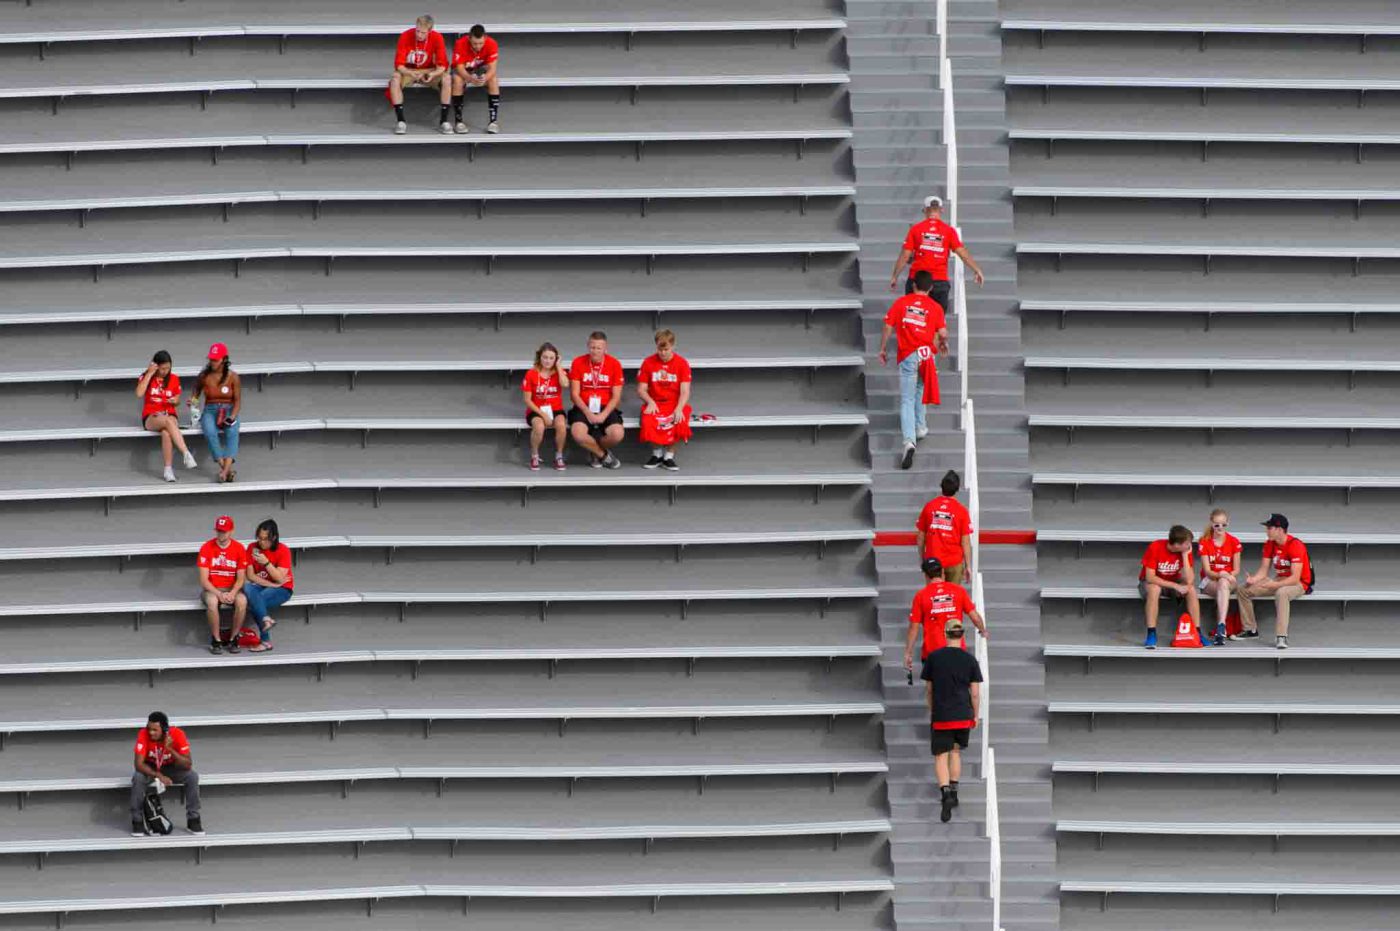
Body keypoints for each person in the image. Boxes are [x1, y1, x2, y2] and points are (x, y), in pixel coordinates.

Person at [879, 270, 949, 468]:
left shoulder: (901, 303)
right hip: (927, 355)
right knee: (920, 389)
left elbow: (887, 325)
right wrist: (942, 343)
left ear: (913, 285)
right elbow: (943, 333)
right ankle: (920, 427)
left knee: (907, 398)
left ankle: (909, 441)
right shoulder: (935, 307)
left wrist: (883, 348)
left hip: (908, 354)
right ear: (931, 288)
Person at [921, 621, 982, 823]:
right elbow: (974, 693)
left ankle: (945, 793)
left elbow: (929, 690)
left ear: (946, 634)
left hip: (942, 715)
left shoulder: (934, 658)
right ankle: (954, 792)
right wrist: (975, 715)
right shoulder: (970, 660)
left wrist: (932, 709)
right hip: (963, 714)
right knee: (955, 752)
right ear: (962, 634)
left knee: (941, 756)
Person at [887, 195, 986, 307]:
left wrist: (895, 276)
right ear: (942, 210)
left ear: (924, 210)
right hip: (939, 281)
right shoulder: (948, 231)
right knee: (937, 321)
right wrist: (977, 269)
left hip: (917, 281)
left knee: (915, 318)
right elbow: (963, 253)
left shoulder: (916, 229)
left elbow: (905, 256)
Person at [1237, 513, 1314, 650]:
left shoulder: (1295, 545)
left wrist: (1275, 584)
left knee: (1281, 593)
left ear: (1279, 529)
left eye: (1269, 528)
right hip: (1280, 580)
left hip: (1299, 583)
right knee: (1243, 590)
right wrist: (1253, 579)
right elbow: (1264, 570)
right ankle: (1250, 630)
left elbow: (1295, 577)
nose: (1266, 531)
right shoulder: (1270, 544)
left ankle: (1281, 636)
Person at [903, 558, 988, 674]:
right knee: (957, 687)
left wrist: (908, 652)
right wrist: (983, 630)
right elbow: (975, 617)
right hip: (957, 650)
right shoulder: (959, 591)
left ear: (926, 576)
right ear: (943, 572)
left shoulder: (920, 596)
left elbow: (914, 627)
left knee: (933, 690)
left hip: (932, 652)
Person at [130, 711, 202, 836]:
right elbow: (138, 764)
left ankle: (193, 819)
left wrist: (170, 749)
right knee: (138, 777)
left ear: (164, 729)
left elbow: (187, 764)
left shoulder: (178, 734)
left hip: (170, 766)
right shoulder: (143, 733)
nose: (151, 732)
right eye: (149, 728)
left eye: (155, 730)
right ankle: (137, 821)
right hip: (151, 767)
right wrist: (159, 776)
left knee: (192, 776)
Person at [1139, 524, 1206, 650]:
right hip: (1151, 583)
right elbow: (1150, 577)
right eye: (1187, 543)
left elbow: (1190, 580)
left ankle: (1197, 632)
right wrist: (1175, 586)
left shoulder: (1185, 551)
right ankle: (1151, 633)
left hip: (1171, 582)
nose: (1190, 546)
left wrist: (1185, 556)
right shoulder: (1155, 547)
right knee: (1155, 589)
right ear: (1177, 544)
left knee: (1190, 589)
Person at [135, 350, 198, 483]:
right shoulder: (146, 376)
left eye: (168, 368)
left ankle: (168, 470)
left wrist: (176, 401)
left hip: (169, 413)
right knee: (168, 422)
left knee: (166, 433)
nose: (165, 371)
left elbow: (177, 400)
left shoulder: (174, 378)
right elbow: (139, 394)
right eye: (162, 368)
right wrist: (150, 373)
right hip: (152, 416)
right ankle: (186, 453)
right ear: (156, 365)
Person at [637, 329, 693, 471]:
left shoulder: (682, 363)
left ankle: (669, 456)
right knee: (649, 419)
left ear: (673, 346)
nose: (663, 353)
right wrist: (650, 401)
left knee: (680, 420)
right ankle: (656, 455)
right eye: (660, 349)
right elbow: (641, 389)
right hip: (655, 402)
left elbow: (685, 391)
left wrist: (679, 408)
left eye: (666, 349)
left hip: (675, 403)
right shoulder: (648, 362)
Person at [568, 331, 625, 469]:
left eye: (599, 348)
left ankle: (594, 451)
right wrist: (588, 413)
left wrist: (603, 415)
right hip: (583, 406)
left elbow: (616, 396)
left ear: (605, 348)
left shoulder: (614, 364)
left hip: (606, 407)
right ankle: (603, 455)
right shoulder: (578, 362)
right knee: (578, 433)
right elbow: (574, 395)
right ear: (588, 346)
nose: (595, 351)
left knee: (617, 434)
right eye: (592, 347)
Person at [388, 15, 452, 135]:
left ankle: (444, 121)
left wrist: (432, 74)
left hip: (429, 70)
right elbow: (399, 65)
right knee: (395, 78)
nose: (419, 35)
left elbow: (442, 66)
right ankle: (400, 121)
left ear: (430, 31)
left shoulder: (437, 37)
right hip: (409, 70)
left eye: (423, 33)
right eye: (417, 31)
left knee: (447, 78)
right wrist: (410, 73)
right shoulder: (405, 36)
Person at [191, 343, 242, 484]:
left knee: (232, 432)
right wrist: (193, 401)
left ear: (224, 360)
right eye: (211, 359)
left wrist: (232, 417)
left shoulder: (233, 377)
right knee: (209, 432)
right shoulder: (203, 376)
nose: (212, 362)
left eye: (216, 360)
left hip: (229, 409)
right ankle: (227, 470)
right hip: (210, 409)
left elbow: (237, 402)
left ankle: (224, 472)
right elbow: (196, 393)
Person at [198, 515, 248, 654]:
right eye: (219, 531)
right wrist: (219, 593)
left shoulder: (239, 548)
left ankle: (233, 638)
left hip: (232, 589)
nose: (221, 534)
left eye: (224, 531)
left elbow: (241, 578)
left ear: (231, 531)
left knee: (242, 601)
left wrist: (232, 593)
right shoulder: (207, 547)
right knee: (212, 602)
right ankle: (216, 639)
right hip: (212, 589)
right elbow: (204, 580)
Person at [915, 470, 974, 585]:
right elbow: (965, 541)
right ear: (957, 489)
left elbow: (920, 538)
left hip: (933, 562)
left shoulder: (929, 507)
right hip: (954, 563)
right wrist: (968, 566)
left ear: (941, 486)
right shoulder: (962, 511)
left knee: (934, 599)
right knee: (952, 600)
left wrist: (923, 559)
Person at [243, 519, 293, 653]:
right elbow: (250, 576)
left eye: (265, 539)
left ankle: (265, 641)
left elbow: (280, 579)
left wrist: (266, 563)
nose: (262, 542)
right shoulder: (252, 548)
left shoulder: (283, 550)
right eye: (259, 538)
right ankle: (266, 620)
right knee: (247, 588)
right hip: (263, 585)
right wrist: (271, 584)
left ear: (274, 537)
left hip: (283, 590)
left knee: (256, 601)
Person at [1199, 508, 1244, 645]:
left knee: (1224, 583)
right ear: (1211, 524)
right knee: (1222, 583)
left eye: (1223, 525)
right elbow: (1207, 571)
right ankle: (1222, 627)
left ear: (1227, 524)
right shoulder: (1204, 541)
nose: (1220, 528)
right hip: (1209, 580)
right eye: (1217, 525)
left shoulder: (1234, 541)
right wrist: (1220, 574)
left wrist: (1226, 575)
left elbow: (1236, 569)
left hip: (1229, 579)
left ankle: (1221, 626)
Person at [522, 342, 570, 471]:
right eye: (545, 357)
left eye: (551, 358)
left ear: (555, 359)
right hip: (536, 410)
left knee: (561, 425)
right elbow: (527, 400)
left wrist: (559, 366)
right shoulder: (531, 374)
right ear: (539, 357)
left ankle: (559, 456)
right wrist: (543, 415)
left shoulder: (559, 372)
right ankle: (535, 455)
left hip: (555, 409)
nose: (548, 361)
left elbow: (565, 384)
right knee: (539, 426)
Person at [450, 24, 501, 134]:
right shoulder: (460, 43)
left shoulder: (492, 43)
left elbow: (492, 68)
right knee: (458, 80)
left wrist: (484, 78)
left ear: (485, 38)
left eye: (481, 43)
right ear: (469, 38)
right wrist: (469, 78)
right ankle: (458, 122)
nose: (478, 46)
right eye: (475, 43)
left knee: (493, 80)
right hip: (465, 68)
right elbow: (459, 68)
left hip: (481, 68)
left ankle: (493, 121)